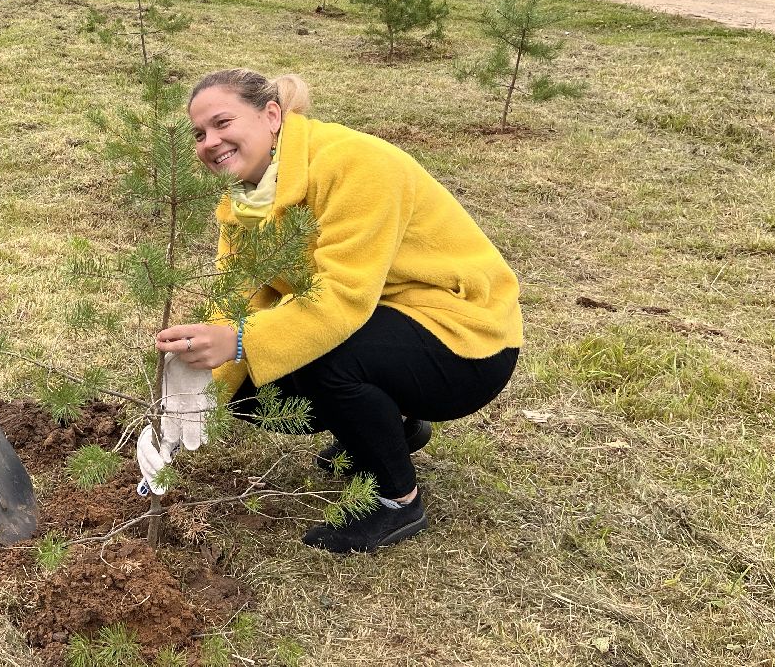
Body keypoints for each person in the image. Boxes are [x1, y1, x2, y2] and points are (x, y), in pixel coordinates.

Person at [148, 69, 522, 553]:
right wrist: (192, 394)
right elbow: (234, 297)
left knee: (322, 356)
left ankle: (396, 501)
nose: (210, 142)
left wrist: (241, 341)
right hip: (382, 322)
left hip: (463, 337)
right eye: (199, 134)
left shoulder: (355, 163)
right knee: (247, 381)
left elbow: (343, 297)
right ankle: (394, 426)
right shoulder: (244, 200)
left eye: (222, 122)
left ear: (271, 115)